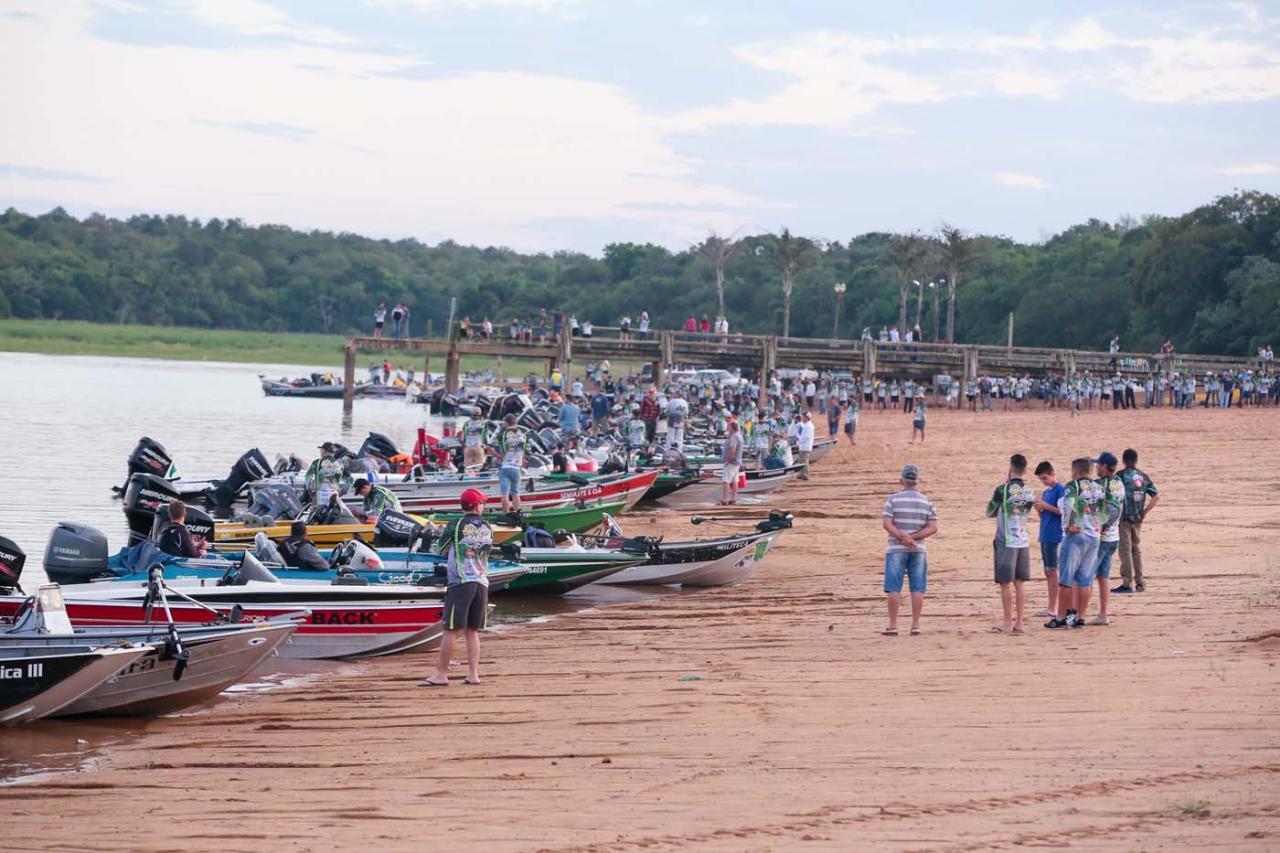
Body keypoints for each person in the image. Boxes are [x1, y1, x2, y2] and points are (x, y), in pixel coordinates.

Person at [422, 488, 491, 687]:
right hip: (481, 581)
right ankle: (473, 674)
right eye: (482, 503)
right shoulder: (487, 526)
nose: (483, 506)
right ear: (476, 505)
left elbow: (439, 549)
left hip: (460, 581)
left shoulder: (456, 524)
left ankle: (441, 675)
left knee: (450, 630)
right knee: (472, 631)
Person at [1046, 458, 1104, 630]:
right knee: (1085, 579)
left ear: (1076, 471)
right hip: (1093, 536)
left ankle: (1062, 617)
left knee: (1066, 579)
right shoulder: (1099, 488)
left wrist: (1070, 524)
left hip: (1076, 536)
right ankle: (1080, 617)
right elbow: (1105, 509)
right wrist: (1100, 527)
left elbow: (1070, 505)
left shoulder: (1073, 486)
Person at [881, 464, 939, 636]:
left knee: (893, 587)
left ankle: (893, 625)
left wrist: (902, 537)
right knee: (917, 587)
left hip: (896, 548)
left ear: (901, 481)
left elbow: (887, 523)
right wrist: (913, 538)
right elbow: (933, 527)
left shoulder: (893, 499)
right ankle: (915, 624)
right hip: (918, 548)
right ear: (917, 481)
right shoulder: (926, 501)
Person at [986, 454, 1035, 633]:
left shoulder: (1002, 490)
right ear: (1025, 470)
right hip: (1022, 539)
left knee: (1005, 582)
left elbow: (990, 511)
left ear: (1010, 469)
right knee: (1020, 582)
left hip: (1006, 540)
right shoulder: (1029, 491)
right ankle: (1020, 622)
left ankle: (1007, 622)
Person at [1114, 448, 1159, 593]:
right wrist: (1144, 512)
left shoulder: (1120, 476)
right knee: (1136, 550)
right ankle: (1140, 582)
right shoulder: (1142, 476)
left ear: (1124, 460)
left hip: (1124, 518)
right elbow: (1156, 496)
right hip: (1138, 519)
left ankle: (1127, 583)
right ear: (1136, 460)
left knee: (1125, 550)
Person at [1089, 452, 1125, 625]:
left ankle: (1077, 614)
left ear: (1104, 466)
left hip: (1101, 537)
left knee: (1086, 576)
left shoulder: (1099, 484)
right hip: (1114, 537)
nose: (1096, 467)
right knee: (1103, 576)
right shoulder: (1119, 482)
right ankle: (1103, 614)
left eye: (1098, 465)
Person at [1033, 460, 1064, 619]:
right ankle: (1051, 606)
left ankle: (1054, 607)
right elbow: (1045, 515)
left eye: (1045, 478)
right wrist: (1039, 508)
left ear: (1052, 474)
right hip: (1045, 534)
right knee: (1048, 571)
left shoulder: (1060, 489)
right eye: (1041, 479)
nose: (1044, 482)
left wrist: (1046, 506)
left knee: (1053, 571)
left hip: (1055, 535)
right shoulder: (1047, 492)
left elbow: (1063, 511)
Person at [496, 414, 527, 514]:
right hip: (517, 467)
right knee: (515, 493)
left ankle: (507, 514)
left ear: (506, 422)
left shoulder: (503, 433)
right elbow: (525, 449)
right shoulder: (523, 434)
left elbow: (495, 445)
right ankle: (518, 514)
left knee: (505, 494)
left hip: (505, 466)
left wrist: (497, 454)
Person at [719, 418, 743, 505]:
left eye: (729, 426)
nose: (728, 428)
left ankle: (725, 499)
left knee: (726, 480)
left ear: (732, 428)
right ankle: (733, 498)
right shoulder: (738, 435)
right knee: (734, 481)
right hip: (737, 462)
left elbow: (732, 449)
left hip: (732, 462)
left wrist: (728, 461)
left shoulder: (734, 437)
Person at [795, 410, 814, 480]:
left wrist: (799, 440)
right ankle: (801, 473)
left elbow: (806, 437)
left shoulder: (809, 426)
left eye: (804, 417)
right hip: (803, 446)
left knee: (805, 460)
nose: (802, 418)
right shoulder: (807, 425)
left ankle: (805, 474)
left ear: (807, 417)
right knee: (801, 460)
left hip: (805, 446)